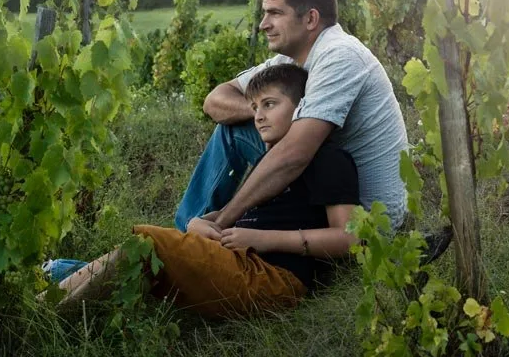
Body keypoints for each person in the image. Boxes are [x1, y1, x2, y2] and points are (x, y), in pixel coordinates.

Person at [51, 63, 359, 317]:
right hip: (242, 260)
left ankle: (53, 315)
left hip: (276, 279)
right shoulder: (270, 161)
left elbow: (349, 237)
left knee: (149, 245)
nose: (258, 116)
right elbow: (242, 218)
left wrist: (262, 239)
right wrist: (202, 223)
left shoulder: (327, 158)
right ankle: (47, 297)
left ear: (302, 107)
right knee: (144, 256)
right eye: (254, 107)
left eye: (270, 104)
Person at [175, 0, 409, 238]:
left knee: (240, 133)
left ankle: (194, 236)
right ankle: (190, 231)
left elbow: (294, 155)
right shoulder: (291, 59)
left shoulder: (340, 56)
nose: (263, 24)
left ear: (310, 19)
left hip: (365, 217)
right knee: (234, 126)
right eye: (264, 13)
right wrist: (265, 111)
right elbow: (215, 100)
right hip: (330, 186)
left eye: (275, 13)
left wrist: (225, 218)